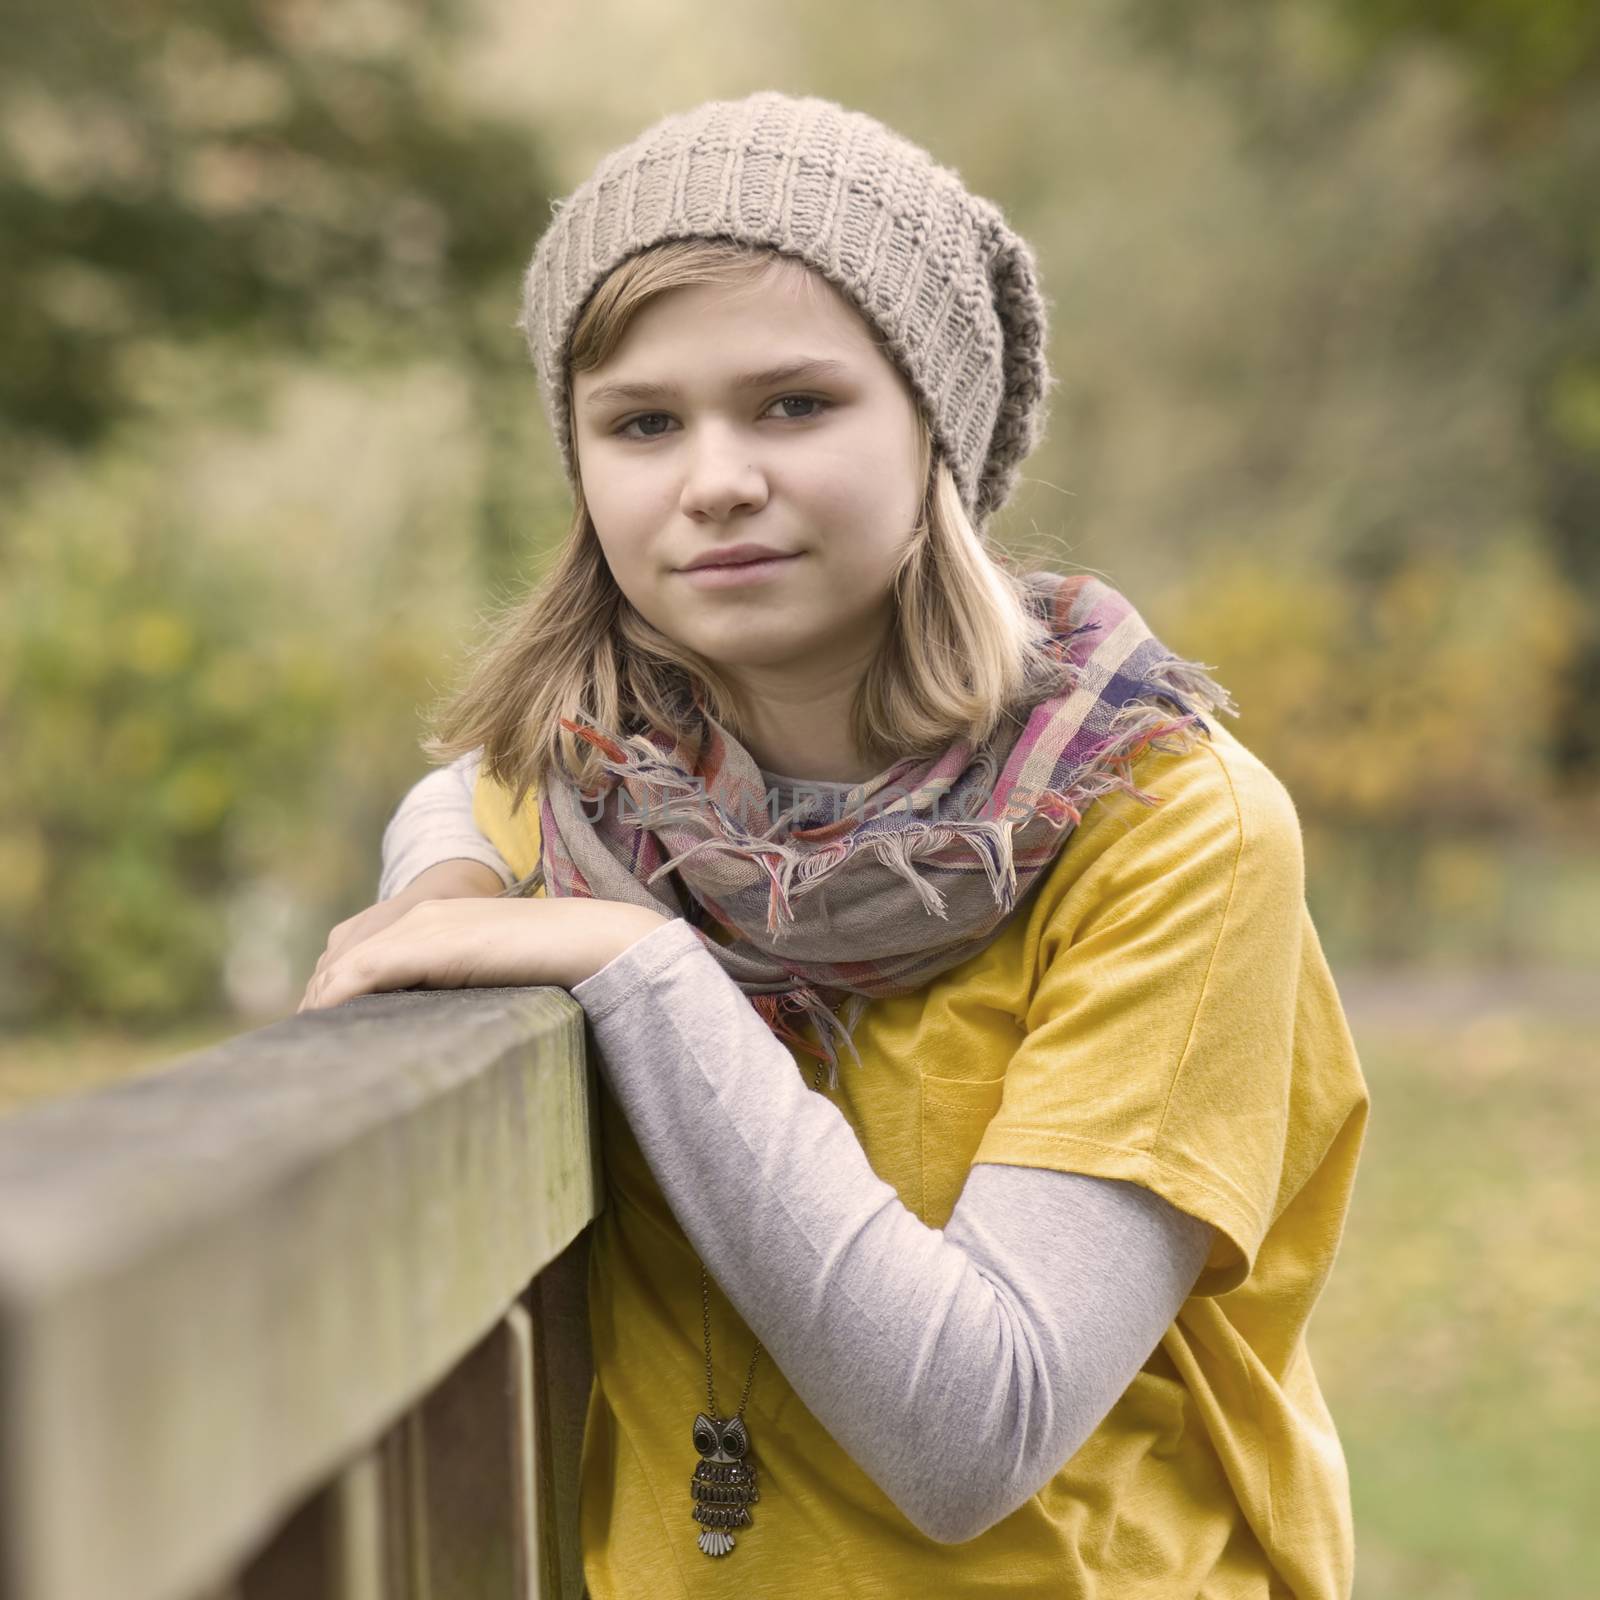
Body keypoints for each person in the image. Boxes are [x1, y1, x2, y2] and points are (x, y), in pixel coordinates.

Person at [300, 91, 1369, 1599]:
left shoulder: (1170, 830)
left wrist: (645, 973)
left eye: (795, 403)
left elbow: (975, 1425)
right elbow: (473, 789)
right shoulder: (599, 794)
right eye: (642, 422)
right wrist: (451, 878)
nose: (715, 477)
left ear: (938, 422)